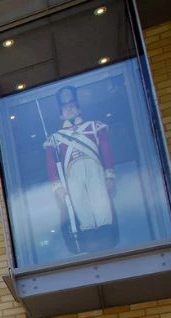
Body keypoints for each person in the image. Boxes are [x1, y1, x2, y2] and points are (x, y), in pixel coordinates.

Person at [45, 86, 118, 253]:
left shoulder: (94, 126)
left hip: (94, 169)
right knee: (80, 205)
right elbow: (51, 165)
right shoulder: (55, 138)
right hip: (72, 174)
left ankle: (106, 238)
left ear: (78, 108)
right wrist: (58, 187)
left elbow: (106, 151)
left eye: (72, 105)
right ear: (60, 113)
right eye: (65, 106)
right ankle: (90, 240)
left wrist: (109, 175)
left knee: (101, 203)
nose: (69, 108)